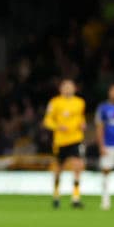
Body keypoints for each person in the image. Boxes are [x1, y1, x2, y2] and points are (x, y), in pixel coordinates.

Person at [42, 78, 86, 208]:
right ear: (60, 89)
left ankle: (75, 198)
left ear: (74, 88)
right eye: (65, 86)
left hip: (75, 139)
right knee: (58, 168)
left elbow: (80, 118)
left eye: (70, 86)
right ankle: (56, 196)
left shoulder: (80, 102)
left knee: (78, 166)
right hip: (60, 140)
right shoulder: (55, 102)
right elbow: (47, 121)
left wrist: (82, 124)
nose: (68, 88)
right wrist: (58, 126)